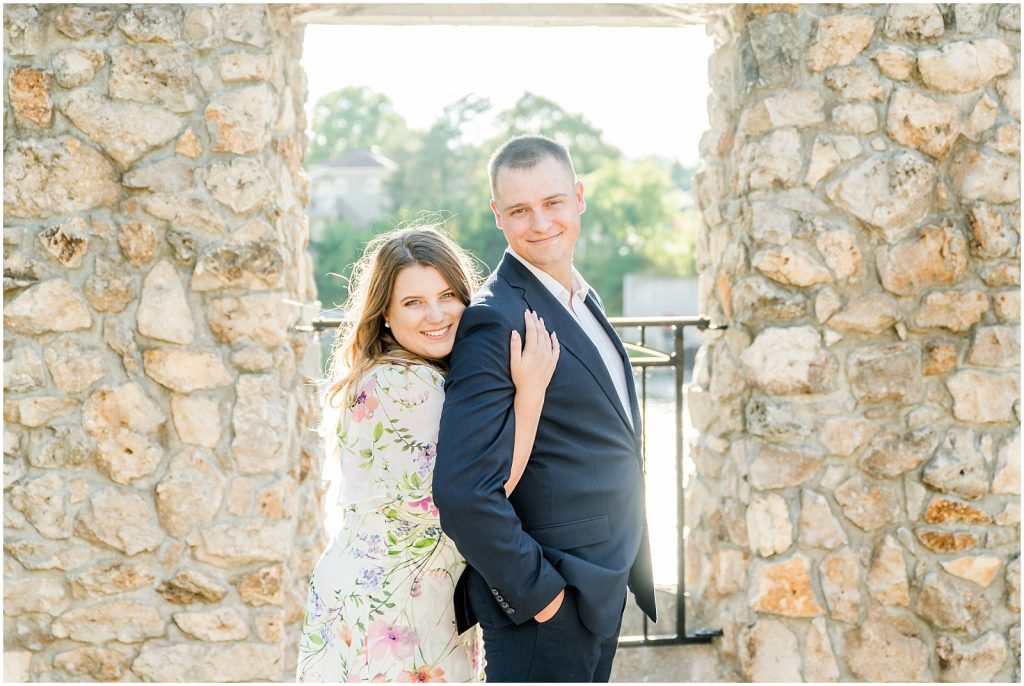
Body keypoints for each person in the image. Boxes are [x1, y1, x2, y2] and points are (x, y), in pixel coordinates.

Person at [434, 135, 657, 682]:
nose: (540, 223)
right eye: (519, 210)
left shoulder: (579, 296)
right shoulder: (496, 319)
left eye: (553, 202)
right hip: (551, 606)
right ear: (498, 216)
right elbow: (463, 491)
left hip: (599, 585)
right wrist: (543, 598)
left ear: (579, 197)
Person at [296, 226, 560, 682]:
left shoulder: (404, 374)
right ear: (384, 315)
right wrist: (530, 392)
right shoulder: (405, 383)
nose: (436, 315)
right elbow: (477, 493)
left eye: (447, 296)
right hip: (391, 608)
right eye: (412, 302)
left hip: (401, 597)